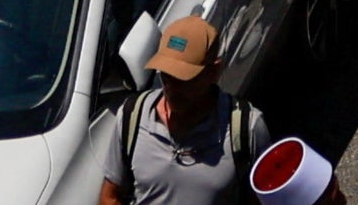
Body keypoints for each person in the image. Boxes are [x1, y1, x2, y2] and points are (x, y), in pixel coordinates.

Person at [103, 14, 264, 205]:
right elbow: (110, 196)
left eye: (183, 79)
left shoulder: (247, 128)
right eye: (166, 76)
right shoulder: (132, 116)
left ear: (214, 71)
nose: (171, 89)